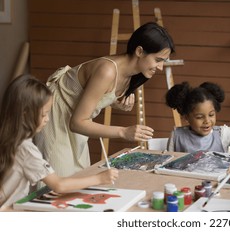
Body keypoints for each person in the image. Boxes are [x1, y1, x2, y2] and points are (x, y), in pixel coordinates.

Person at [34, 22, 175, 177]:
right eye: (158, 60)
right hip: (55, 118)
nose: (161, 67)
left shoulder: (133, 75)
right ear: (140, 51)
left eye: (164, 61)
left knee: (78, 177)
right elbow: (77, 123)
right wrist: (123, 132)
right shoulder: (107, 71)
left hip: (73, 120)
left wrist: (115, 103)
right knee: (58, 182)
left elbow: (91, 97)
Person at [0, 75, 118, 210]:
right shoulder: (25, 149)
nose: (47, 119)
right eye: (44, 114)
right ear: (25, 114)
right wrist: (100, 178)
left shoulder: (7, 138)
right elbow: (58, 185)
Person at [165, 81, 230, 153]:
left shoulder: (223, 134)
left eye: (211, 115)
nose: (207, 121)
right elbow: (168, 164)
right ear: (186, 117)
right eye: (200, 117)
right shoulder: (176, 136)